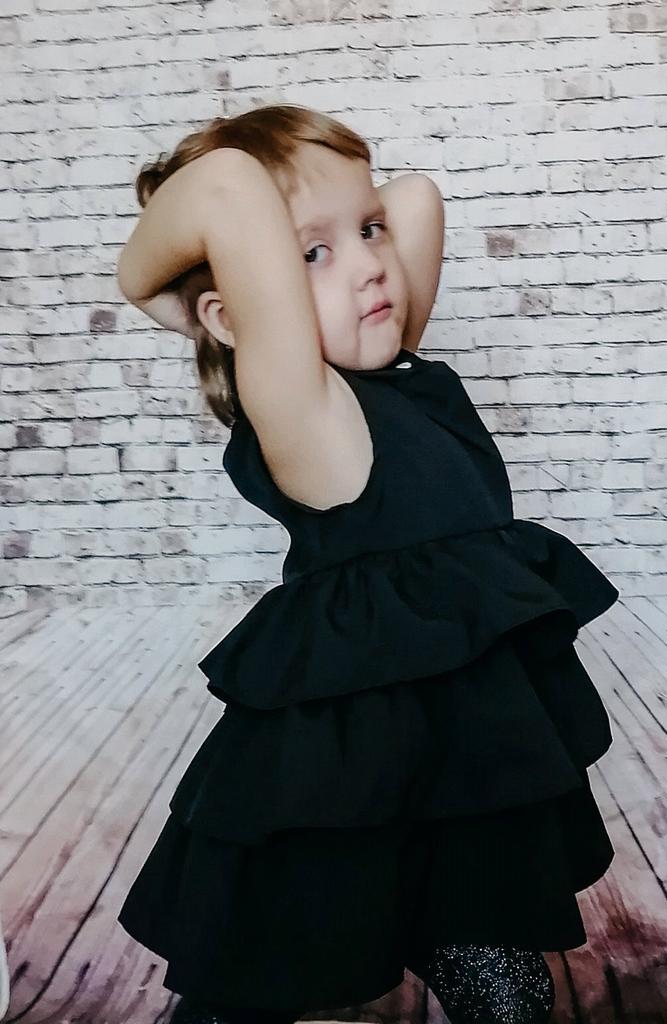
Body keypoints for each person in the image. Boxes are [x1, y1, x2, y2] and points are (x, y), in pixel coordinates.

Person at [115, 103, 620, 1024]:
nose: (371, 264)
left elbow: (415, 196)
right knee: (266, 973)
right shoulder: (309, 412)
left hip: (460, 777)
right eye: (310, 253)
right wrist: (157, 272)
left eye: (368, 233)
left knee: (511, 995)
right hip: (343, 784)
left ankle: (443, 931)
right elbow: (225, 189)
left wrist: (334, 225)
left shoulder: (400, 369)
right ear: (236, 312)